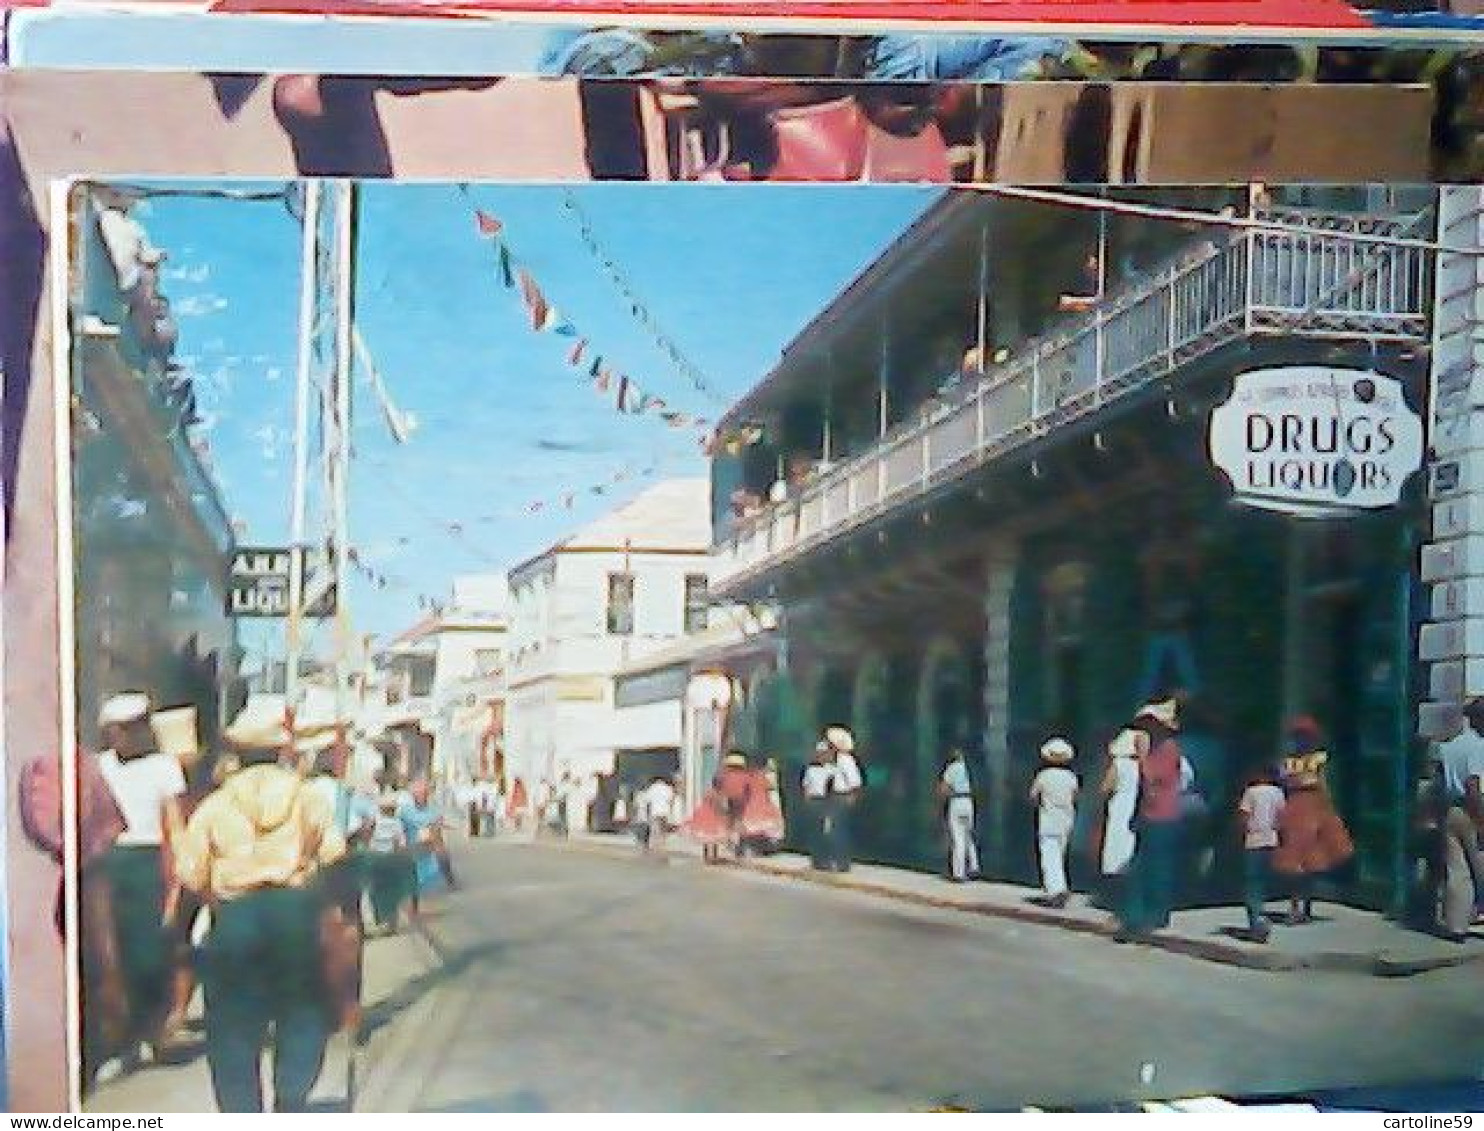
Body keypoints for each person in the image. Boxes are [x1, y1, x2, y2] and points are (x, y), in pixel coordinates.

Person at [172, 715, 347, 1113]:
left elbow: (190, 874)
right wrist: (337, 915)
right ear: (281, 751)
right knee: (301, 1009)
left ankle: (242, 1111)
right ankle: (290, 1097)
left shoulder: (215, 805)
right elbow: (335, 857)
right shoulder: (306, 798)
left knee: (233, 1022)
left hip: (237, 918)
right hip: (294, 914)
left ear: (236, 753)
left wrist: (184, 933)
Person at [95, 692, 187, 1063]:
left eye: (137, 728)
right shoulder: (98, 766)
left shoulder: (165, 767)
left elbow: (172, 823)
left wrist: (175, 878)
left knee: (149, 951)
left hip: (146, 859)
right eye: (123, 730)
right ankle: (122, 1037)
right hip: (107, 857)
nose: (131, 736)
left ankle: (153, 1027)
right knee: (109, 951)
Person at [1273, 715, 1354, 926]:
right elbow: (1284, 784)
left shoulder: (1319, 759)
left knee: (1312, 860)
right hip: (1294, 810)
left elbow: (1324, 784)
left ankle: (1306, 906)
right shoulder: (1287, 761)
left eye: (1305, 736)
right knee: (1293, 862)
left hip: (1315, 808)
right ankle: (1294, 907)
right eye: (1298, 736)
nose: (1301, 741)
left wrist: (1327, 811)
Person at [1116, 699, 1185, 941]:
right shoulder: (1158, 748)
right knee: (1142, 867)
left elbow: (1153, 779)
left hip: (1164, 815)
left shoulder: (1167, 749)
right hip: (1149, 814)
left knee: (1156, 868)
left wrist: (1142, 756)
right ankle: (1138, 916)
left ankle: (1153, 915)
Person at [1432, 699, 1484, 941]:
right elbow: (1473, 785)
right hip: (1473, 810)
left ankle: (1456, 926)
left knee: (1457, 872)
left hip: (1450, 811)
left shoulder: (1450, 746)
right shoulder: (1478, 746)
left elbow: (1439, 782)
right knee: (1479, 867)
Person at [1236, 763, 1287, 942]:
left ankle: (1256, 920)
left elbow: (1244, 817)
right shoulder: (1278, 793)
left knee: (1252, 882)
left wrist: (1239, 836)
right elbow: (1282, 819)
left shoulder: (1251, 792)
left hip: (1254, 841)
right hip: (1271, 840)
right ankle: (1260, 916)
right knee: (1263, 881)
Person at [1030, 738, 1079, 908]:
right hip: (1066, 819)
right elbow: (1075, 796)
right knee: (1060, 854)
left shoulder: (1043, 775)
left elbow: (1033, 796)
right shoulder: (1071, 777)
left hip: (1048, 818)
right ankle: (1059, 886)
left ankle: (1056, 890)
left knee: (1049, 856)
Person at [1097, 728, 1142, 908]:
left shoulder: (1119, 764)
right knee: (1129, 848)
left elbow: (1105, 788)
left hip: (1119, 806)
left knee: (1114, 847)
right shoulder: (1141, 765)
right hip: (1135, 807)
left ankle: (1112, 895)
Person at [365, 794, 415, 935]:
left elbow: (366, 838)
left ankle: (380, 919)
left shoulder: (373, 821)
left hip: (375, 860)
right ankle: (391, 924)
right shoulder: (397, 823)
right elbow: (400, 844)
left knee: (375, 891)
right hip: (390, 860)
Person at [823, 726, 862, 872]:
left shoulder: (845, 760)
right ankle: (835, 860)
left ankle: (842, 862)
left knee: (839, 830)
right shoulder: (833, 760)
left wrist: (851, 797)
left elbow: (854, 781)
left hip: (842, 796)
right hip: (834, 796)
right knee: (833, 830)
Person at [938, 749, 979, 883]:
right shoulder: (969, 767)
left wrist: (940, 801)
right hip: (969, 802)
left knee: (958, 838)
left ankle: (959, 873)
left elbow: (944, 788)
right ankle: (974, 866)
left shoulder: (952, 768)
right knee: (968, 835)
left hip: (956, 801)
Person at [801, 742, 837, 871]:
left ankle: (827, 860)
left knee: (827, 832)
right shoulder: (811, 769)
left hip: (826, 801)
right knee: (814, 832)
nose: (822, 756)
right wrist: (807, 802)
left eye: (824, 753)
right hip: (814, 802)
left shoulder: (832, 769)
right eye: (820, 753)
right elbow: (806, 787)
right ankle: (816, 861)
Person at [634, 775, 678, 858]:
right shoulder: (667, 788)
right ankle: (662, 848)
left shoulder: (652, 788)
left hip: (655, 812)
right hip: (665, 812)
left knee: (655, 831)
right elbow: (671, 799)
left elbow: (646, 800)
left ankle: (656, 849)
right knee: (663, 831)